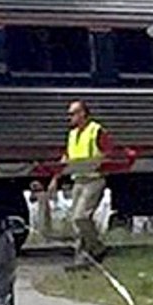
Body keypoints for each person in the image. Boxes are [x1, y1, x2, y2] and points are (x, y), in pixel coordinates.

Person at [48, 100, 114, 270]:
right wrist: (55, 178)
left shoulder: (96, 131)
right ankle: (82, 258)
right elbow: (66, 158)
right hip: (78, 180)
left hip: (94, 179)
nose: (69, 117)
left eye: (73, 113)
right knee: (75, 222)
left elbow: (109, 154)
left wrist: (99, 164)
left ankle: (97, 248)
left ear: (83, 114)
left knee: (81, 217)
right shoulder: (72, 134)